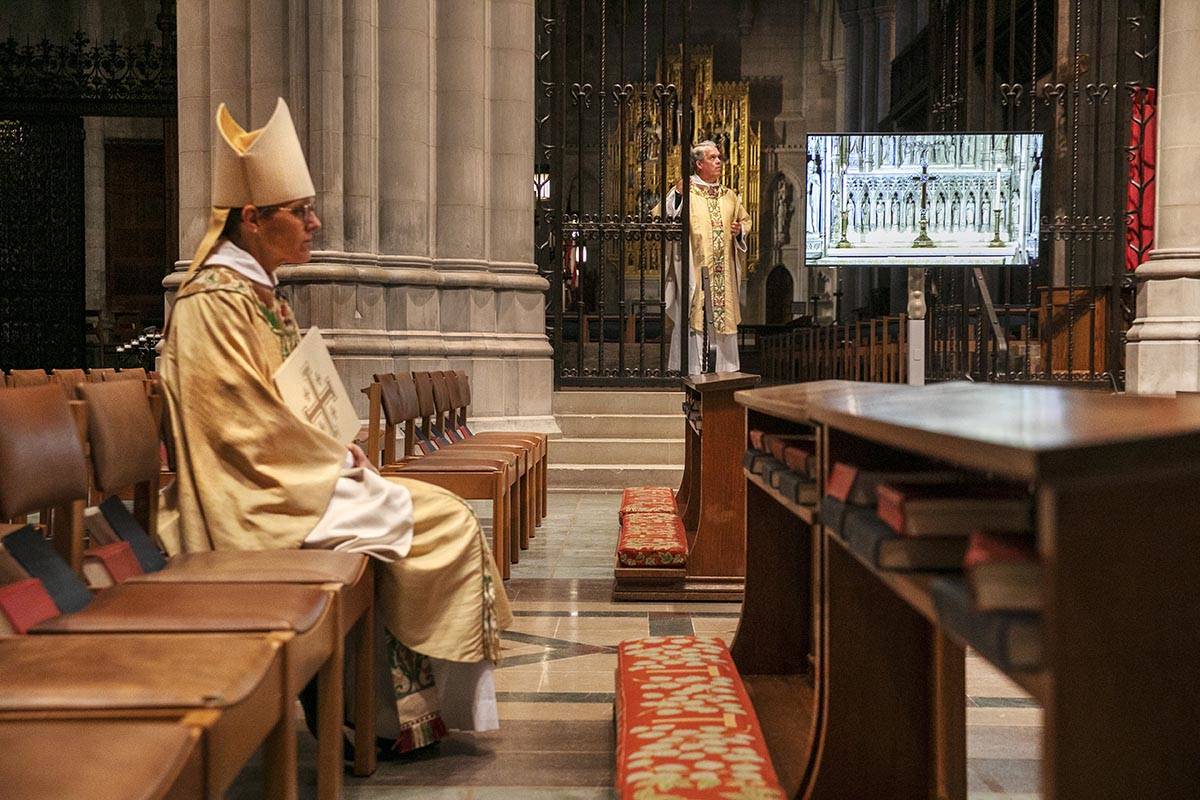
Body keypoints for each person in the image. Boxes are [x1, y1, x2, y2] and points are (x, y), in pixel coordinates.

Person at [157, 98, 511, 756]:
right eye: (300, 211)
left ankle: (379, 718)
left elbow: (295, 400)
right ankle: (372, 720)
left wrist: (337, 443)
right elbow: (236, 426)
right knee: (443, 522)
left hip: (289, 480)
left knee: (434, 517)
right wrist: (334, 462)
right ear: (254, 220)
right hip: (253, 500)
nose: (315, 223)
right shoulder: (212, 304)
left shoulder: (261, 296)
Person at [661, 140, 752, 374]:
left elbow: (746, 221)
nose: (719, 161)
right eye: (713, 158)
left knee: (724, 320)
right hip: (695, 268)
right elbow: (664, 215)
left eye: (719, 157)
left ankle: (725, 373)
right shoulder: (686, 190)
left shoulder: (729, 196)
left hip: (724, 273)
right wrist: (679, 196)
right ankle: (694, 371)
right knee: (696, 318)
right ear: (699, 164)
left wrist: (739, 230)